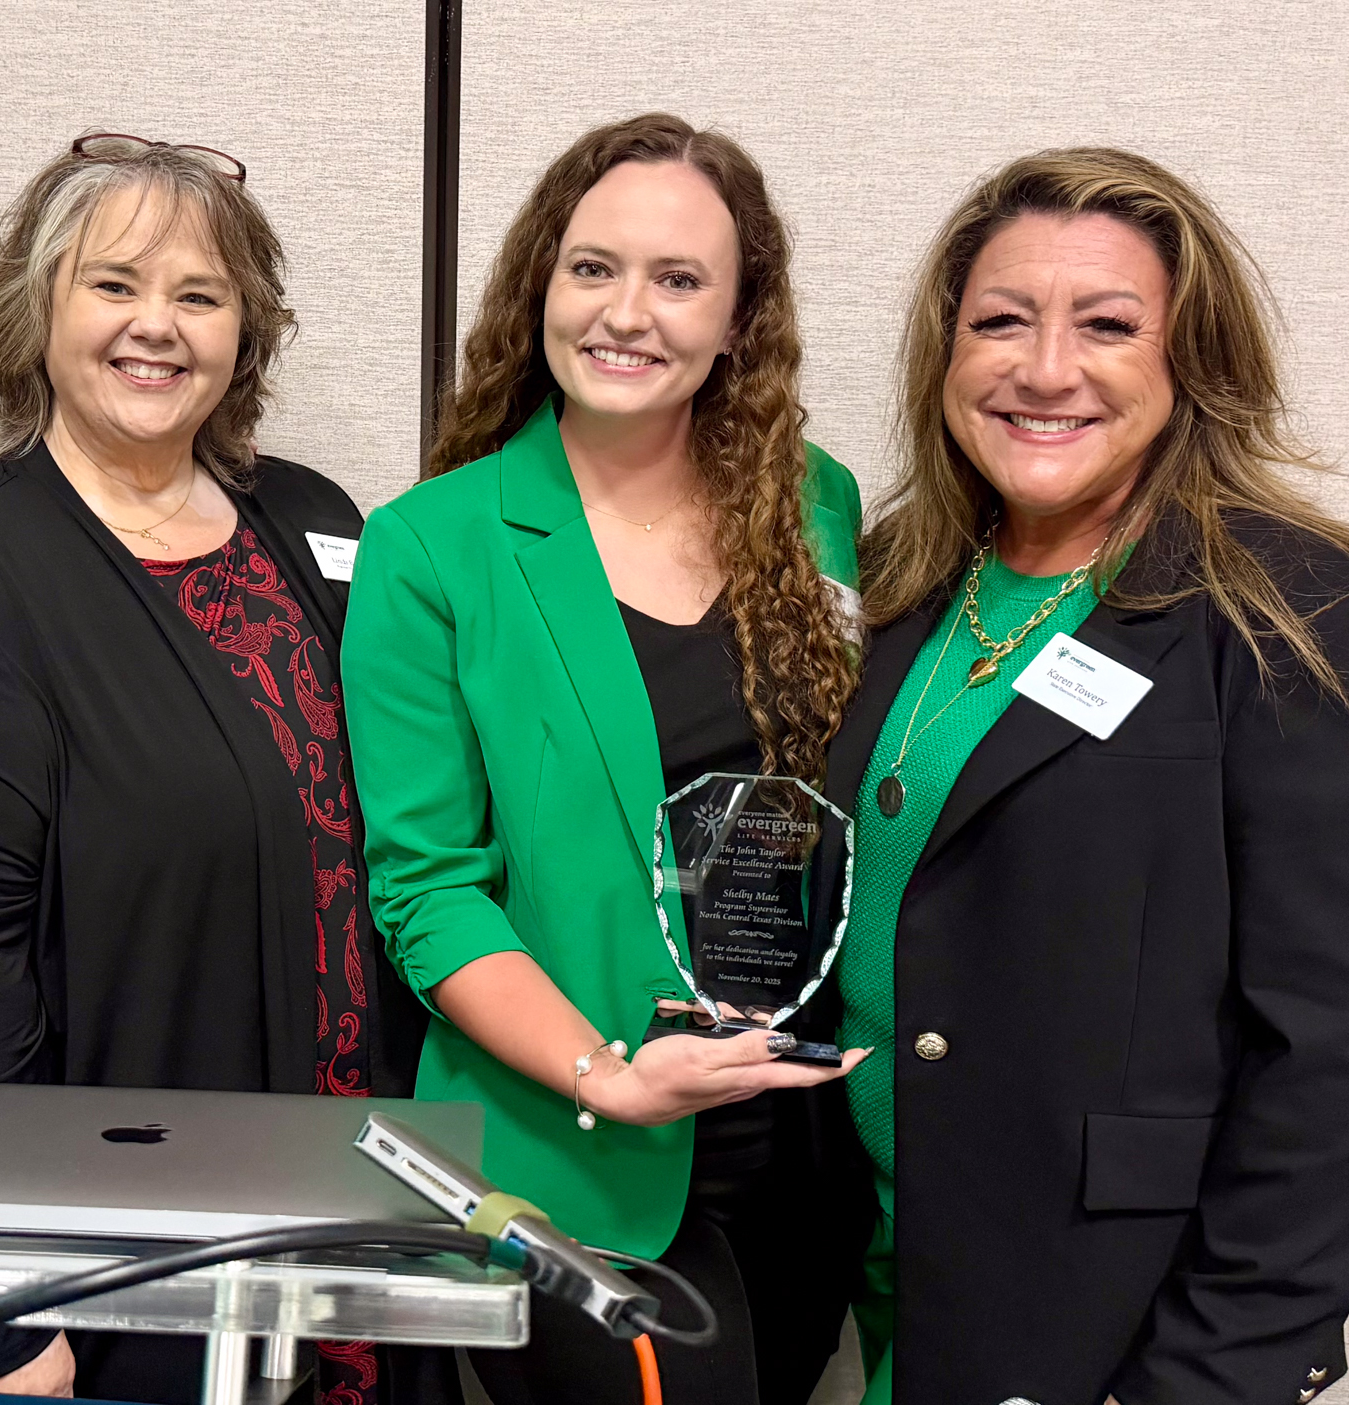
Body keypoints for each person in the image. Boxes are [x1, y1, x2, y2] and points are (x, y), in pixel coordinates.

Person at [0, 134, 439, 1405]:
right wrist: (4, 1312)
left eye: (200, 294)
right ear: (37, 311)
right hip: (103, 1281)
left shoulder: (313, 523)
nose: (157, 326)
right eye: (113, 284)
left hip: (340, 1212)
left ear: (248, 329)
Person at [830, 146, 1349, 1405]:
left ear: (1187, 362)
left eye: (1107, 326)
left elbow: (1336, 1055)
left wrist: (1211, 1375)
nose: (1044, 369)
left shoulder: (1300, 618)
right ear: (945, 355)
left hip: (1109, 1320)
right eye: (999, 321)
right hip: (887, 1277)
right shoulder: (894, 589)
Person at [343, 113, 873, 1405]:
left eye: (678, 278)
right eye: (593, 268)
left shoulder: (817, 502)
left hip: (804, 1134)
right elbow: (427, 885)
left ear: (741, 317)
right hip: (581, 1145)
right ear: (542, 286)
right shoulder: (435, 546)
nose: (626, 312)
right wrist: (609, 1075)